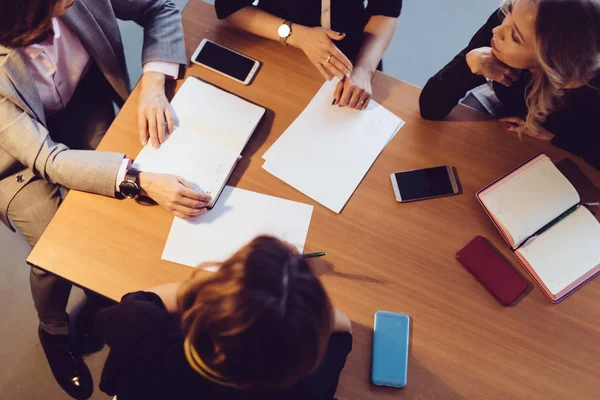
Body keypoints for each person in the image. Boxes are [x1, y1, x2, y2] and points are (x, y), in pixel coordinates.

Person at [0, 0, 212, 398]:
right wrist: (139, 179)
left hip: (82, 105)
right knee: (55, 242)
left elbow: (161, 8)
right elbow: (47, 158)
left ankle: (103, 299)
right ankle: (53, 329)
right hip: (15, 159)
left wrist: (152, 85)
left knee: (116, 212)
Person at [95, 235, 353, 400]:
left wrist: (221, 285)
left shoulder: (143, 327)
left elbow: (144, 299)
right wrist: (299, 301)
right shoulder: (309, 388)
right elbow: (342, 327)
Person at [419, 0, 600, 170]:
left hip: (572, 136)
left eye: (514, 37)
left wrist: (557, 138)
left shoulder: (590, 90)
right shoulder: (504, 23)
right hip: (505, 107)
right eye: (510, 12)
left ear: (550, 61)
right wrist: (468, 66)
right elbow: (430, 107)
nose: (497, 30)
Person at [214, 0, 402, 110]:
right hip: (278, 43)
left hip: (355, 55)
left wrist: (363, 70)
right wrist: (297, 35)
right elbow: (230, 6)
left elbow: (385, 11)